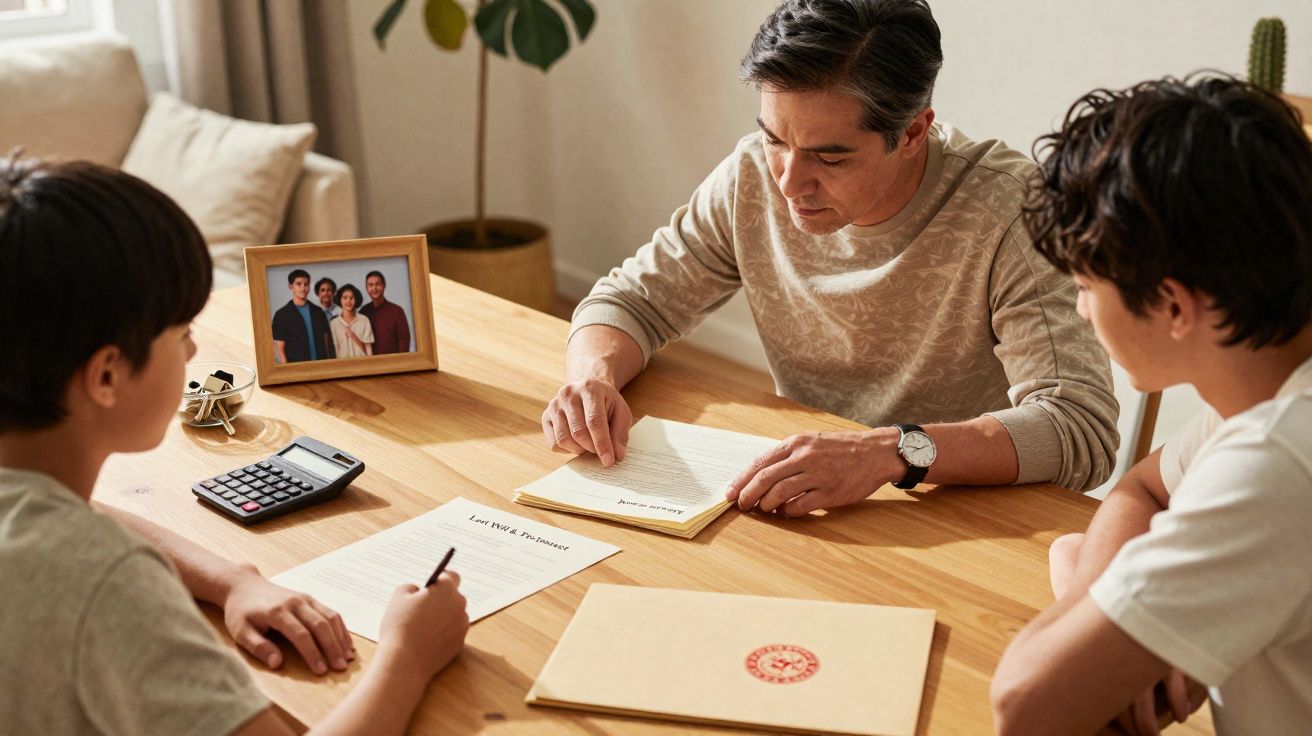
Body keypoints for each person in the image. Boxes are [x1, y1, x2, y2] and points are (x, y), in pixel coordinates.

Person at [542, 0, 1118, 515]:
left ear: (914, 132)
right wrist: (592, 381)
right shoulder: (752, 176)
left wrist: (888, 452)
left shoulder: (1012, 212)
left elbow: (1078, 430)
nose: (790, 182)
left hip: (959, 512)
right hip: (807, 499)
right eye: (774, 139)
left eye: (831, 158)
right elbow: (631, 301)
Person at [0, 156, 471, 735]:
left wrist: (232, 579)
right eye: (182, 335)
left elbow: (71, 519)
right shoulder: (112, 590)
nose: (194, 355)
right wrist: (407, 656)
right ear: (106, 376)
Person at [990, 76, 1312, 735]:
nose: (1082, 309)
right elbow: (1143, 487)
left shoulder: (1277, 460)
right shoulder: (1267, 389)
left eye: (1084, 285)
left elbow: (1025, 706)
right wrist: (1110, 611)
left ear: (1172, 306)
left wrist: (1090, 590)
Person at [272, 269, 334, 363]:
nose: (303, 288)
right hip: (296, 369)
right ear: (290, 286)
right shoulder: (282, 315)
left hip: (321, 366)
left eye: (306, 284)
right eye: (298, 284)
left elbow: (326, 344)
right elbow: (280, 349)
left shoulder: (319, 312)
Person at [360, 270, 411, 355]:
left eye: (378, 284)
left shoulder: (397, 311)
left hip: (393, 363)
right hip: (370, 363)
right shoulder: (363, 312)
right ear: (366, 288)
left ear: (384, 286)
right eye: (370, 285)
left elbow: (404, 341)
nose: (374, 288)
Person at [330, 283, 375, 359]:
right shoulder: (333, 324)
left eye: (351, 298)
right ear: (339, 300)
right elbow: (334, 352)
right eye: (345, 298)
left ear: (356, 299)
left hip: (362, 366)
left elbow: (368, 352)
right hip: (342, 367)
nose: (348, 301)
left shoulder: (364, 320)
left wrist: (354, 336)